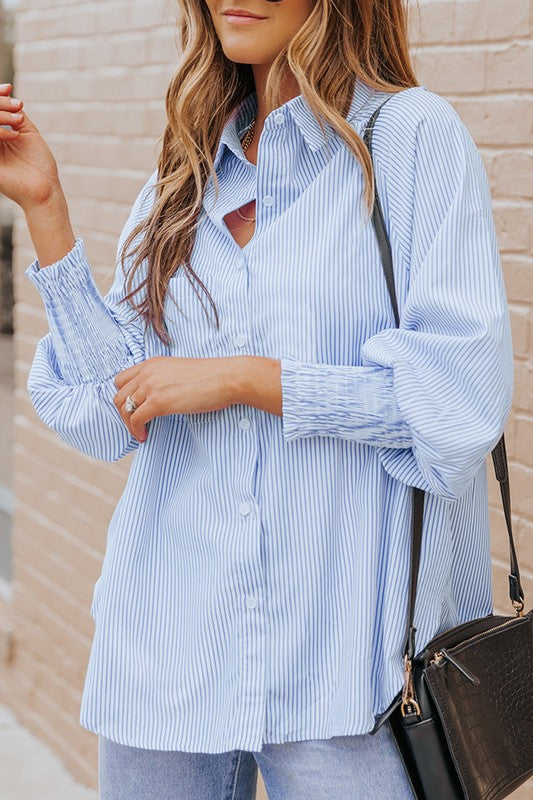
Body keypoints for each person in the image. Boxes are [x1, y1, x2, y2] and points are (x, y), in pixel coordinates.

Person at [0, 0, 514, 796]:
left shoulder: (411, 139)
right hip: (164, 652)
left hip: (348, 676)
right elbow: (108, 415)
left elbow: (456, 406)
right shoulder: (186, 169)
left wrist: (250, 379)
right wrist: (45, 207)